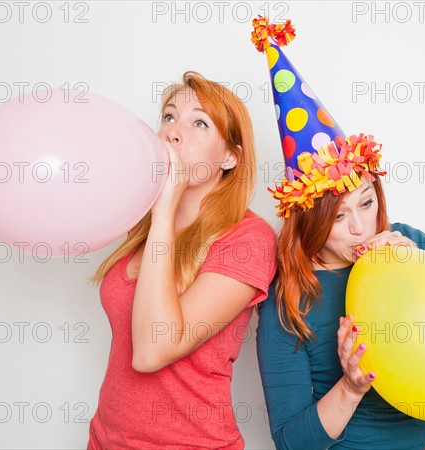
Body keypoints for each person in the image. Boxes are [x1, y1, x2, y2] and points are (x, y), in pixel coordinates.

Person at [250, 16, 425, 450]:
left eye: (366, 201)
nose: (363, 226)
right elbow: (289, 442)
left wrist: (414, 273)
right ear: (309, 222)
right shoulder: (288, 303)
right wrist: (350, 386)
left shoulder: (410, 242)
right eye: (339, 217)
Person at [87, 71, 277, 449]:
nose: (173, 132)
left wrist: (163, 209)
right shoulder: (140, 222)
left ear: (229, 157)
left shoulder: (249, 240)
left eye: (199, 123)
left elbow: (152, 351)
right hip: (106, 440)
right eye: (169, 117)